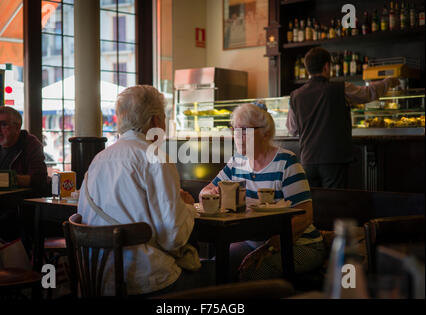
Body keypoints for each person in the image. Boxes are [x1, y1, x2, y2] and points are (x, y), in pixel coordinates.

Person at [77, 85, 214, 297]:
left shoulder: (98, 160)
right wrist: (187, 207)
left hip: (97, 281)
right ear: (155, 122)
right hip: (147, 282)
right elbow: (174, 238)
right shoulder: (154, 158)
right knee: (217, 275)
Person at [199, 103, 326, 281]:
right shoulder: (237, 161)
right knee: (214, 270)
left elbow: (305, 217)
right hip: (252, 243)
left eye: (244, 130)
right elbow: (206, 190)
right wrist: (209, 193)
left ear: (265, 132)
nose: (237, 136)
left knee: (253, 274)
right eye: (234, 129)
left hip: (300, 244)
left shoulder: (286, 162)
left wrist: (268, 248)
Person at [286, 47, 400, 188]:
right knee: (334, 203)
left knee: (314, 202)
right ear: (327, 66)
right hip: (333, 159)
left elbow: (292, 129)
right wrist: (388, 82)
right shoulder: (340, 88)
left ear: (307, 68)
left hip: (307, 159)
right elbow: (367, 93)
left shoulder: (295, 95)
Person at [0, 106, 49, 195]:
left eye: (3, 124)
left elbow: (39, 180)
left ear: (17, 127)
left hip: (21, 204)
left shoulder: (30, 145)